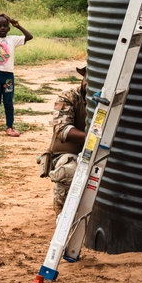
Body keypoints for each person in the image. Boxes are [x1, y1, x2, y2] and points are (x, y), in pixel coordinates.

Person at [42, 66, 88, 213]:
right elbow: (63, 130)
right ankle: (61, 213)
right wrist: (92, 138)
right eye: (88, 79)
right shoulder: (69, 97)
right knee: (69, 171)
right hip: (68, 155)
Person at [0, 13, 33, 138]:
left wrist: (17, 25)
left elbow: (29, 36)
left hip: (8, 76)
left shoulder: (13, 39)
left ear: (9, 28)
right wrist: (0, 15)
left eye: (5, 26)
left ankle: (9, 127)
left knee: (8, 102)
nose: (2, 28)